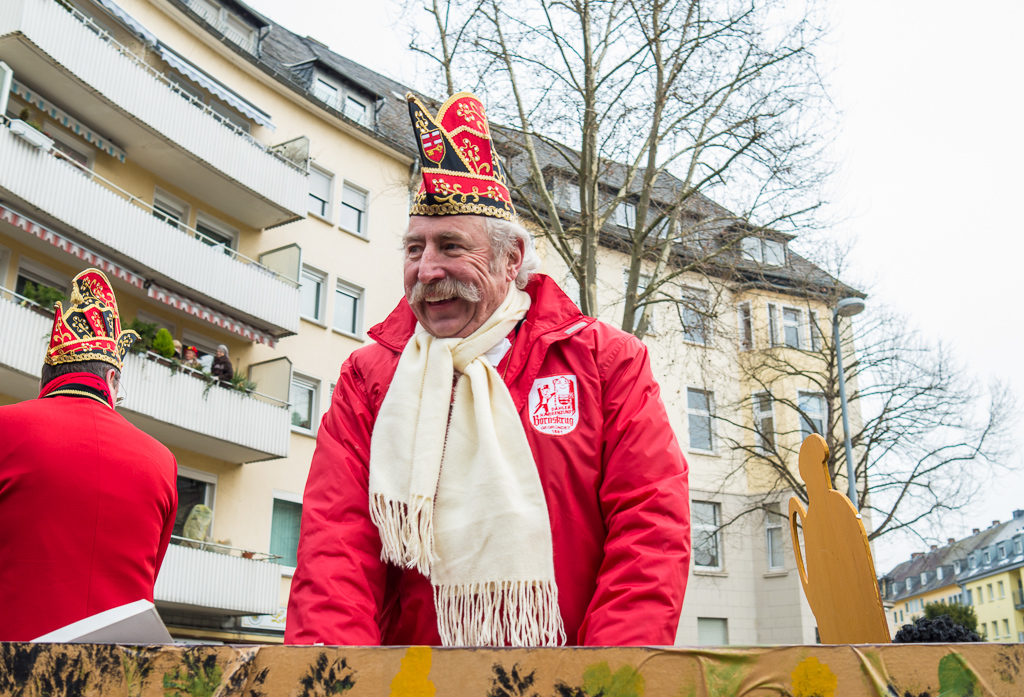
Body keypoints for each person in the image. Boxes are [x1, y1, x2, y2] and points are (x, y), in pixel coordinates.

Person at [285, 92, 690, 647]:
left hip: (571, 678)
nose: (427, 270)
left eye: (451, 246)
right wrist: (332, 679)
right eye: (414, 249)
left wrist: (606, 677)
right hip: (413, 682)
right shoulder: (369, 377)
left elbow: (649, 527)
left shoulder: (606, 361)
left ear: (511, 259)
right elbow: (336, 547)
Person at [0, 268, 178, 641]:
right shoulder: (163, 460)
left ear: (45, 379)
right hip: (118, 667)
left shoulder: (6, 425)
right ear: (112, 380)